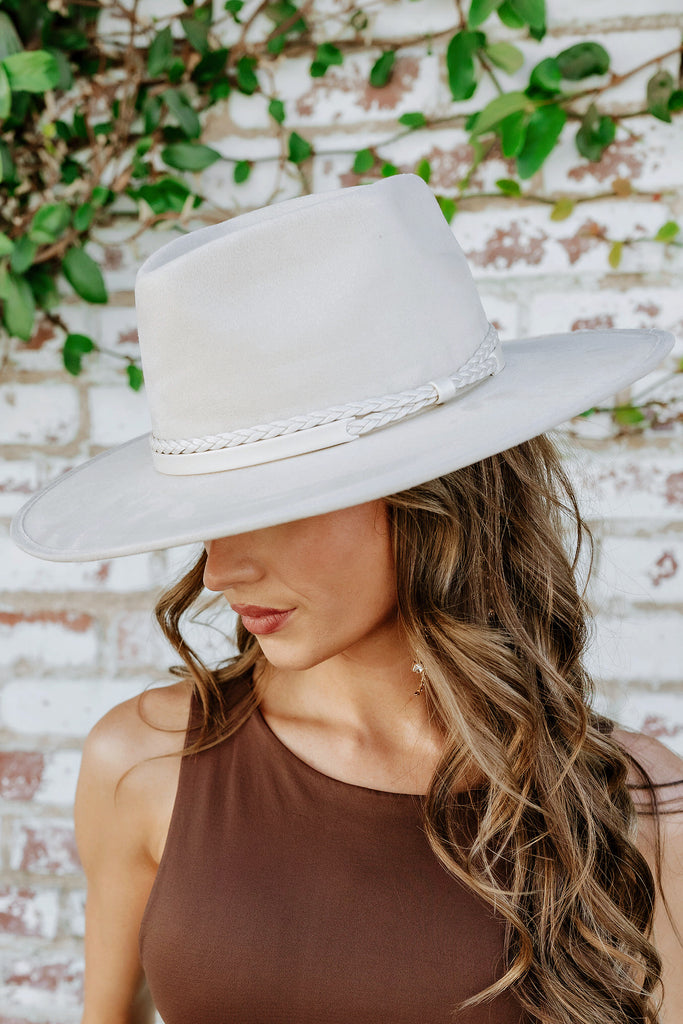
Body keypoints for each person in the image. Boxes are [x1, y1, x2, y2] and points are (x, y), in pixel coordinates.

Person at [11, 174, 683, 1024]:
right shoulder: (141, 764)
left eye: (277, 507)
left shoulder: (632, 806)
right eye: (213, 517)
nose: (219, 572)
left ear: (431, 495)